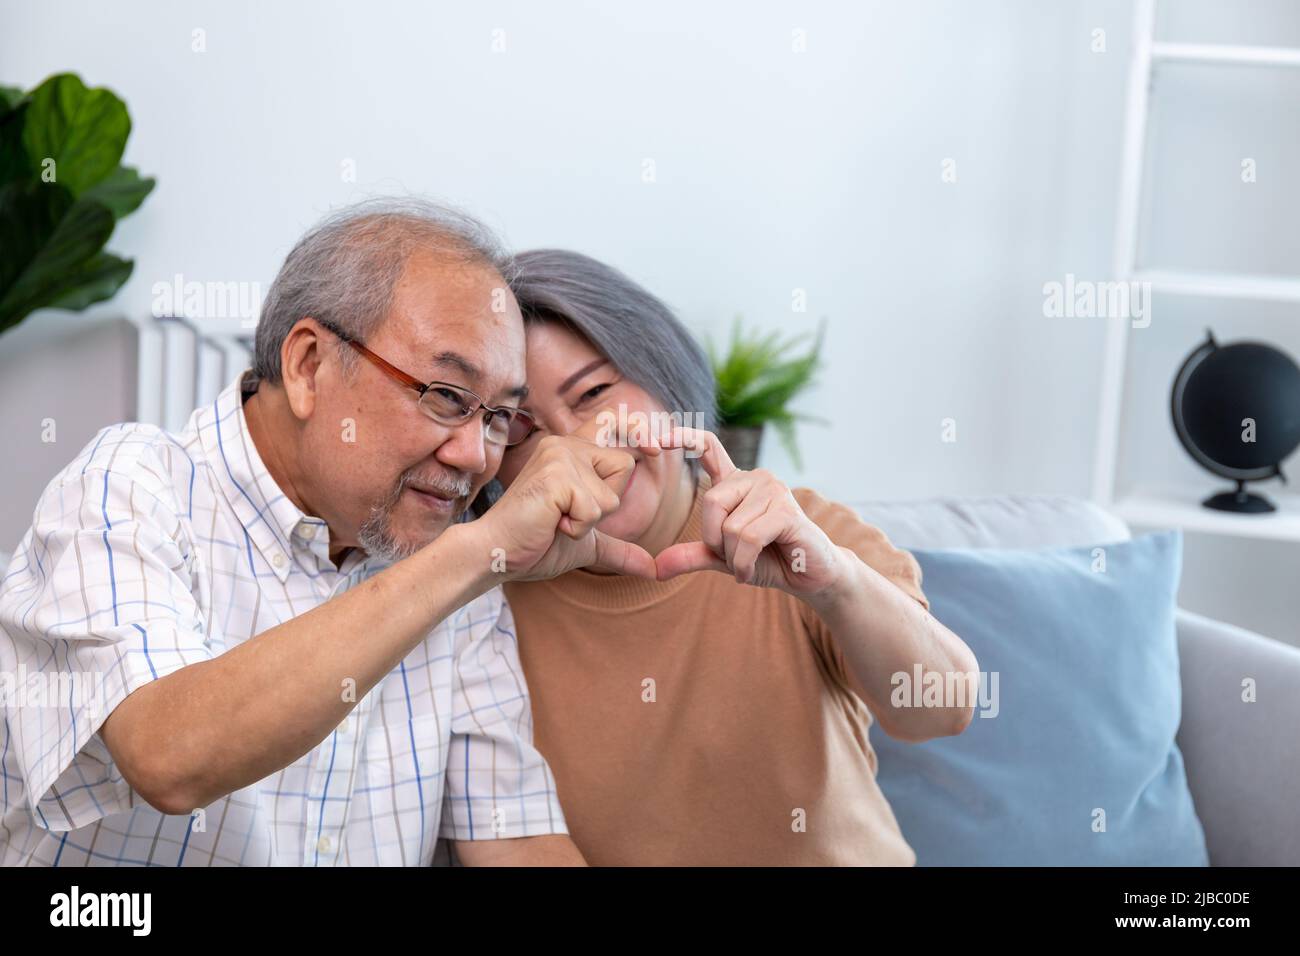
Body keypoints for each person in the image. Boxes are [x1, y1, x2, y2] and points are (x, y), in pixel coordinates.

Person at [0, 201, 652, 866]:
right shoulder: (134, 484)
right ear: (309, 365)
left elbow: (514, 838)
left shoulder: (457, 560)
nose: (475, 457)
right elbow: (168, 755)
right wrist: (474, 556)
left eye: (500, 417)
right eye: (448, 397)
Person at [495, 248, 981, 865]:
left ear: (662, 374)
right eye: (520, 429)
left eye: (593, 392)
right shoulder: (488, 594)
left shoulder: (805, 529)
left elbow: (940, 710)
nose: (579, 444)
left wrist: (831, 581)